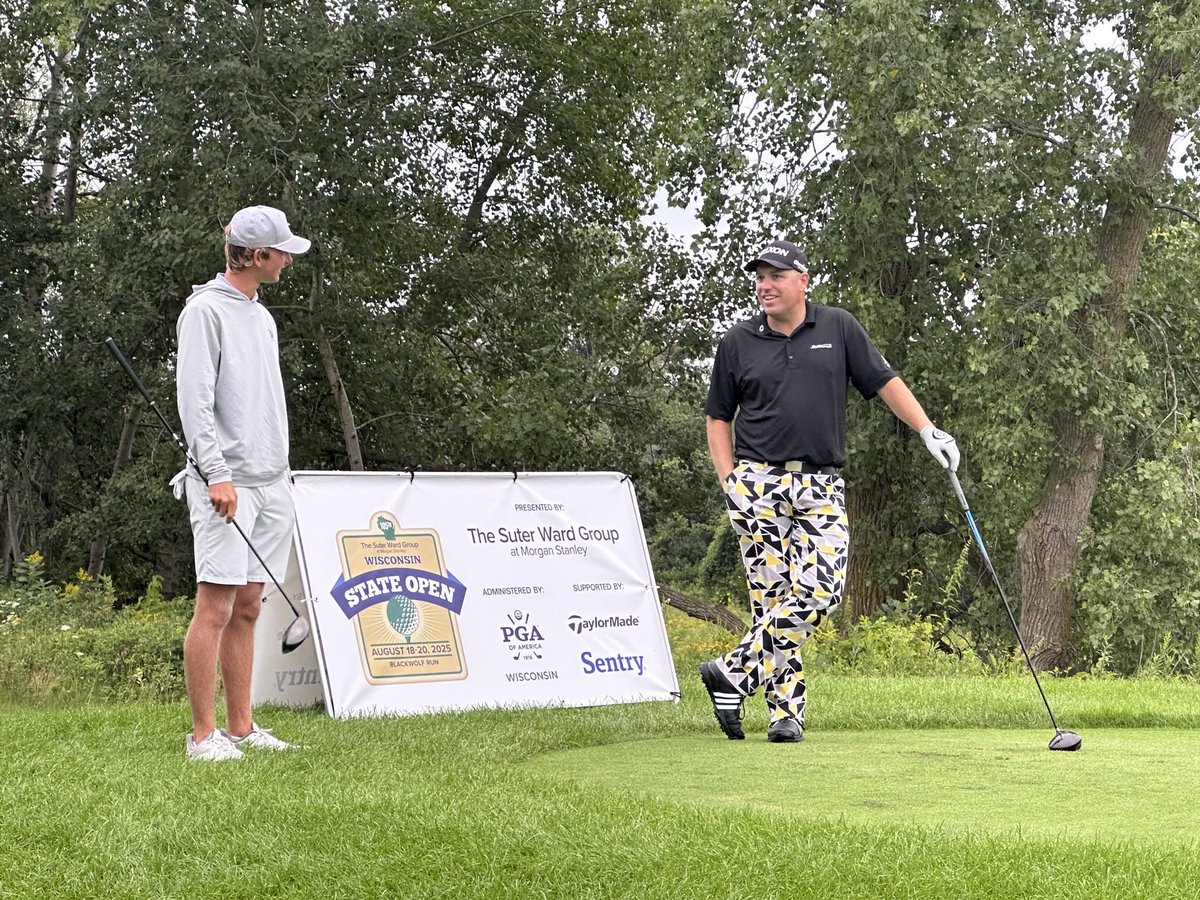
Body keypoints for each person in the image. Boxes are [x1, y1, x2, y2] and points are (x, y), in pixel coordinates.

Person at [700, 239, 959, 743]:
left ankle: (732, 672)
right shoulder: (738, 341)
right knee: (771, 600)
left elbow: (885, 382)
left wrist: (928, 430)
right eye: (759, 276)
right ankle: (784, 714)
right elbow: (717, 417)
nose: (764, 285)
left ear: (803, 281)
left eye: (775, 275)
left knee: (822, 589)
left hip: (820, 481)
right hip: (757, 482)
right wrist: (729, 480)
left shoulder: (838, 327)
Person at [174, 205, 311, 761]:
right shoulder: (204, 311)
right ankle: (202, 736)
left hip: (271, 480)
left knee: (250, 604)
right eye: (281, 252)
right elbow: (195, 402)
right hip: (226, 483)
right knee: (216, 606)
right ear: (257, 256)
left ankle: (241, 727)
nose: (287, 261)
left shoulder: (263, 315)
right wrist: (217, 473)